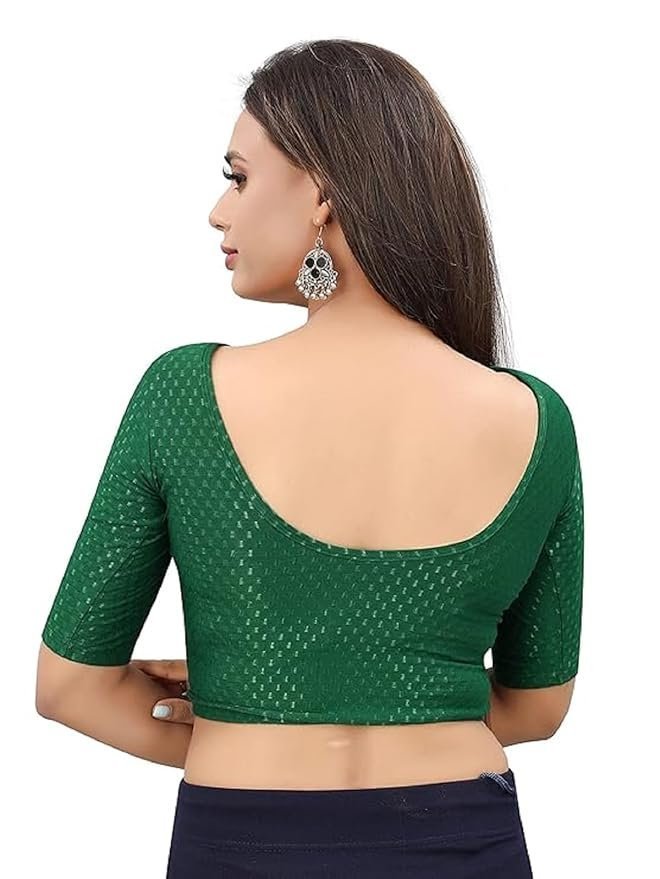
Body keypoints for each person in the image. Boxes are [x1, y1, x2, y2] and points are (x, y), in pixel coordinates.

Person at [36, 38, 584, 878]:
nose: (218, 211)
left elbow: (70, 686)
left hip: (242, 841)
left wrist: (251, 720)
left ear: (322, 192)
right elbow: (537, 707)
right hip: (467, 835)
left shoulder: (186, 395)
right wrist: (380, 699)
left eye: (238, 177)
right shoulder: (535, 419)